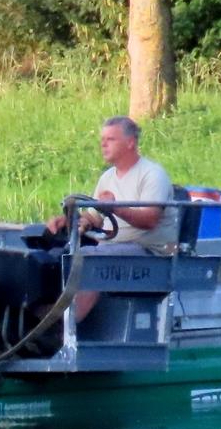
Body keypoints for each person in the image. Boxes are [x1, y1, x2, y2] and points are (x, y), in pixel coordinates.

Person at [41, 115, 175, 323]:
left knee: (91, 259)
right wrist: (70, 222)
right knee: (57, 255)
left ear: (130, 142)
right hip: (114, 248)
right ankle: (44, 316)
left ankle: (62, 328)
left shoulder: (152, 174)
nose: (103, 144)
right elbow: (93, 216)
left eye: (110, 139)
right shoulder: (107, 177)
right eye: (102, 139)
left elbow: (150, 220)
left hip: (150, 253)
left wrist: (115, 209)